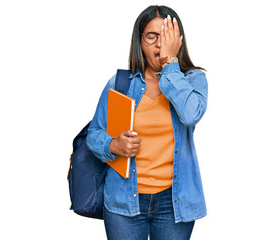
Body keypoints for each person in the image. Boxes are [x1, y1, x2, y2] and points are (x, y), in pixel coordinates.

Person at [86, 5, 208, 240]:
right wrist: (113, 145)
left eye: (166, 36)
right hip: (124, 200)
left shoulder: (192, 80)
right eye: (152, 36)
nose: (159, 44)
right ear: (140, 41)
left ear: (178, 41)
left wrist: (171, 65)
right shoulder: (120, 83)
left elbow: (192, 114)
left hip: (175, 203)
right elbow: (94, 133)